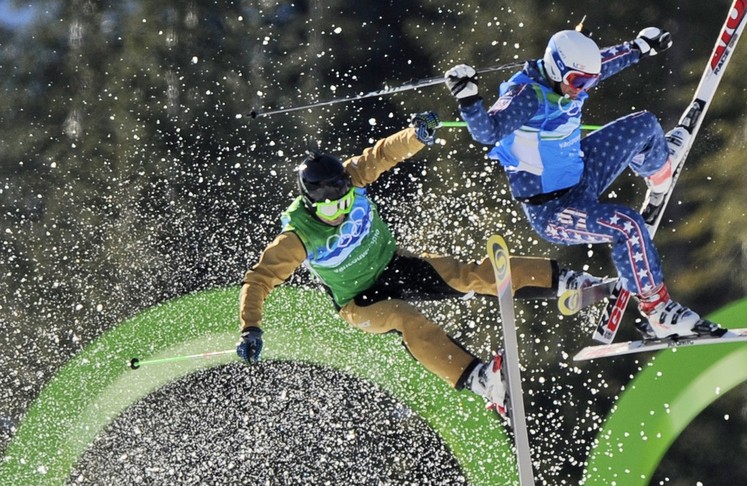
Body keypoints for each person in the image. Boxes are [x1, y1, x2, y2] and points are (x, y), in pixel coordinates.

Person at [236, 112, 595, 418]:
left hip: (394, 265)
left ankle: (568, 281)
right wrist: (250, 327)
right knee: (406, 320)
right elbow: (259, 279)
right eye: (331, 210)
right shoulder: (297, 236)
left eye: (346, 202)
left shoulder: (353, 175)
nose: (341, 213)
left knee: (468, 274)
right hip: (359, 300)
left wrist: (416, 135)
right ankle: (481, 380)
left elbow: (383, 153)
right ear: (312, 205)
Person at [445, 27, 720, 340]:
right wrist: (468, 99)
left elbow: (603, 63)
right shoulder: (526, 96)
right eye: (578, 82)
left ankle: (659, 175)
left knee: (645, 124)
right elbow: (487, 132)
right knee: (627, 225)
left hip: (583, 172)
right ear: (556, 68)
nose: (583, 89)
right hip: (554, 209)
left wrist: (640, 47)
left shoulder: (571, 78)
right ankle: (657, 312)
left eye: (588, 82)